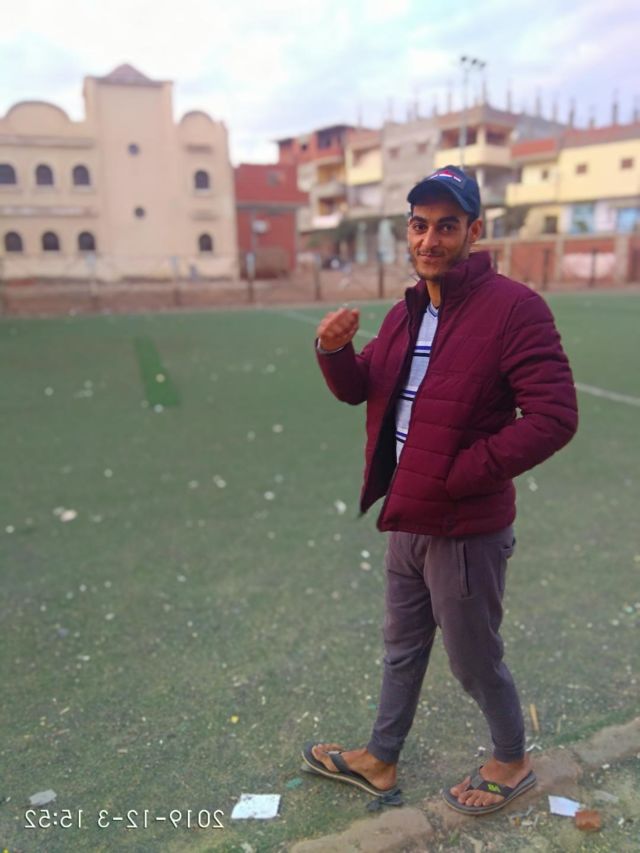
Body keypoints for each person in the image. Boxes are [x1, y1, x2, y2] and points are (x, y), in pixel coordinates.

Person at [301, 165, 578, 815]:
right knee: (400, 647)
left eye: (447, 226)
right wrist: (334, 352)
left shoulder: (515, 308)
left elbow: (554, 416)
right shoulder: (410, 310)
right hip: (408, 516)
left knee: (474, 659)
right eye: (419, 226)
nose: (430, 239)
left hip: (465, 527)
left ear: (474, 232)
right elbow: (363, 386)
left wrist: (460, 475)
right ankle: (380, 757)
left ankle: (512, 760)